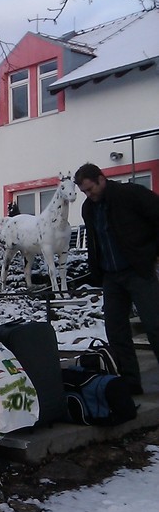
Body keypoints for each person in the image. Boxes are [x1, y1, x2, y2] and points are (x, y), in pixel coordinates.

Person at [74, 163, 159, 395]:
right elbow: (95, 239)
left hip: (137, 270)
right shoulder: (88, 209)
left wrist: (150, 254)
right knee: (116, 329)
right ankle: (131, 381)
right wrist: (96, 271)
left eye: (91, 189)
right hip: (111, 275)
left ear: (102, 179)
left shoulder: (129, 194)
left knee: (155, 325)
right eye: (84, 192)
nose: (89, 195)